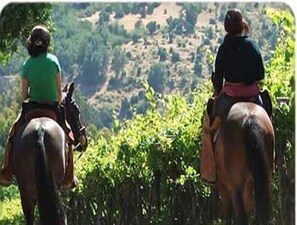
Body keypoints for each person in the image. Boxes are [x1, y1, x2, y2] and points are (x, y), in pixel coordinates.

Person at [0, 25, 77, 189]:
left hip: (32, 108)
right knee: (68, 136)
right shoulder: (54, 61)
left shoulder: (27, 65)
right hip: (52, 108)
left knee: (13, 133)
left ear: (31, 43)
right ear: (47, 42)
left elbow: (24, 96)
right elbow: (58, 93)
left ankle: (6, 172)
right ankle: (69, 177)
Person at [200, 9, 272, 184]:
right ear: (242, 25)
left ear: (226, 28)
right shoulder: (253, 46)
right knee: (268, 116)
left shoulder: (224, 48)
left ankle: (210, 172)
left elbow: (218, 78)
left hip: (229, 99)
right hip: (254, 98)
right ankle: (272, 160)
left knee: (210, 124)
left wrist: (218, 90)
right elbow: (261, 74)